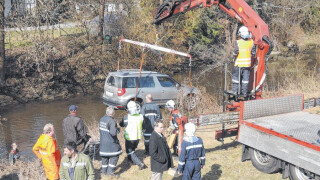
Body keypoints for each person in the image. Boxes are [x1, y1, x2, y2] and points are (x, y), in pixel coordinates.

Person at [119, 101, 147, 170]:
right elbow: (144, 125)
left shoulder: (126, 118)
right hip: (137, 137)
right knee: (132, 150)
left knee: (129, 151)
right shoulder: (141, 116)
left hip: (129, 138)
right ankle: (130, 160)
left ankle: (140, 164)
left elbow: (121, 124)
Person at [231, 26, 256, 96]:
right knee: (245, 80)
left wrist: (233, 56)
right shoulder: (251, 42)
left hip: (238, 65)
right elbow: (253, 53)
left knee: (236, 78)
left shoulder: (238, 42)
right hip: (247, 65)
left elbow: (236, 51)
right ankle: (244, 92)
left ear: (241, 34)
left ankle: (235, 92)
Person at [99, 106, 122, 177]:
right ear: (112, 113)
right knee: (115, 156)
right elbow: (113, 133)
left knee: (104, 158)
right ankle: (110, 173)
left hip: (103, 145)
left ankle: (104, 172)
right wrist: (118, 130)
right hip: (111, 144)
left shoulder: (101, 119)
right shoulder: (111, 121)